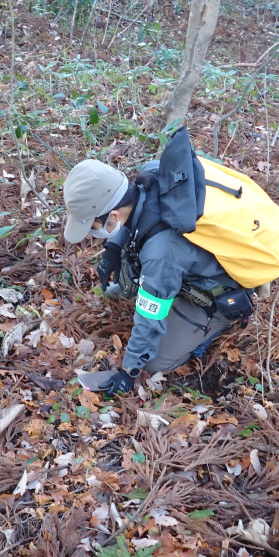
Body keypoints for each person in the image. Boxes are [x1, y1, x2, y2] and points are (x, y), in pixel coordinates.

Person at [63, 157, 257, 396]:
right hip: (181, 264)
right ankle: (166, 291)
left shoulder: (159, 255)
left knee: (155, 362)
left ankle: (213, 327)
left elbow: (149, 318)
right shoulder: (152, 174)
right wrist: (113, 249)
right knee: (135, 267)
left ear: (113, 215)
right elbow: (133, 221)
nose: (94, 233)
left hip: (218, 295)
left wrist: (129, 371)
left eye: (94, 226)